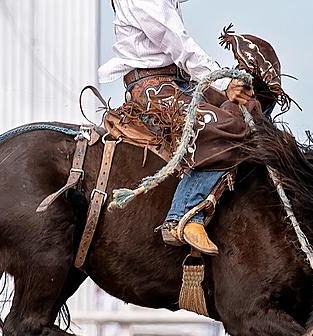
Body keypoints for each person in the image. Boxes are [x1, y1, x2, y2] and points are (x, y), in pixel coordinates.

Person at [99, 0, 257, 256]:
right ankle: (184, 213)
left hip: (176, 83)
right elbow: (177, 42)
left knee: (248, 107)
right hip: (154, 89)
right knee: (227, 128)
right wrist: (226, 81)